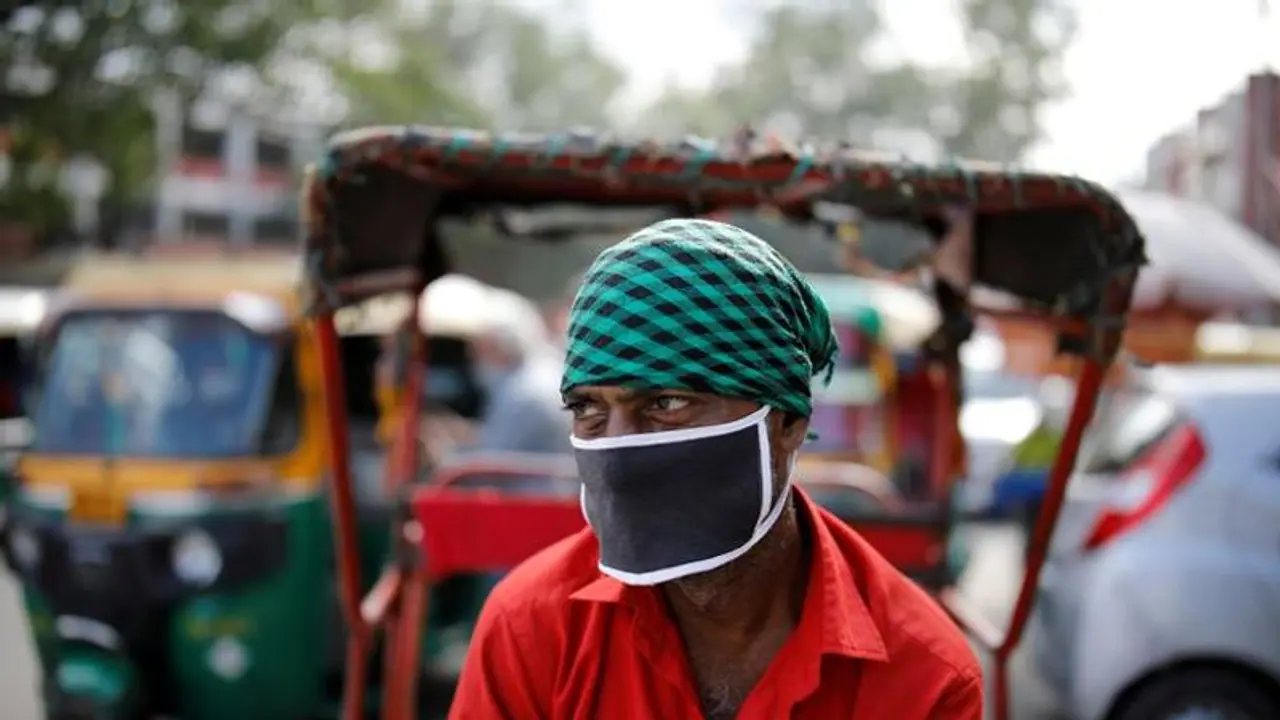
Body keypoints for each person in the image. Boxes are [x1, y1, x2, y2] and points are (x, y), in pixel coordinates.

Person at [450, 219, 983, 719]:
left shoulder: (922, 672)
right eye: (588, 410)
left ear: (789, 421)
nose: (617, 456)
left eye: (666, 403)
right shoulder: (533, 627)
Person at [468, 287, 573, 458]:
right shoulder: (545, 371)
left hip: (527, 484)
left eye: (483, 346)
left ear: (501, 345)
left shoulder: (524, 392)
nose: (474, 354)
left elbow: (492, 459)